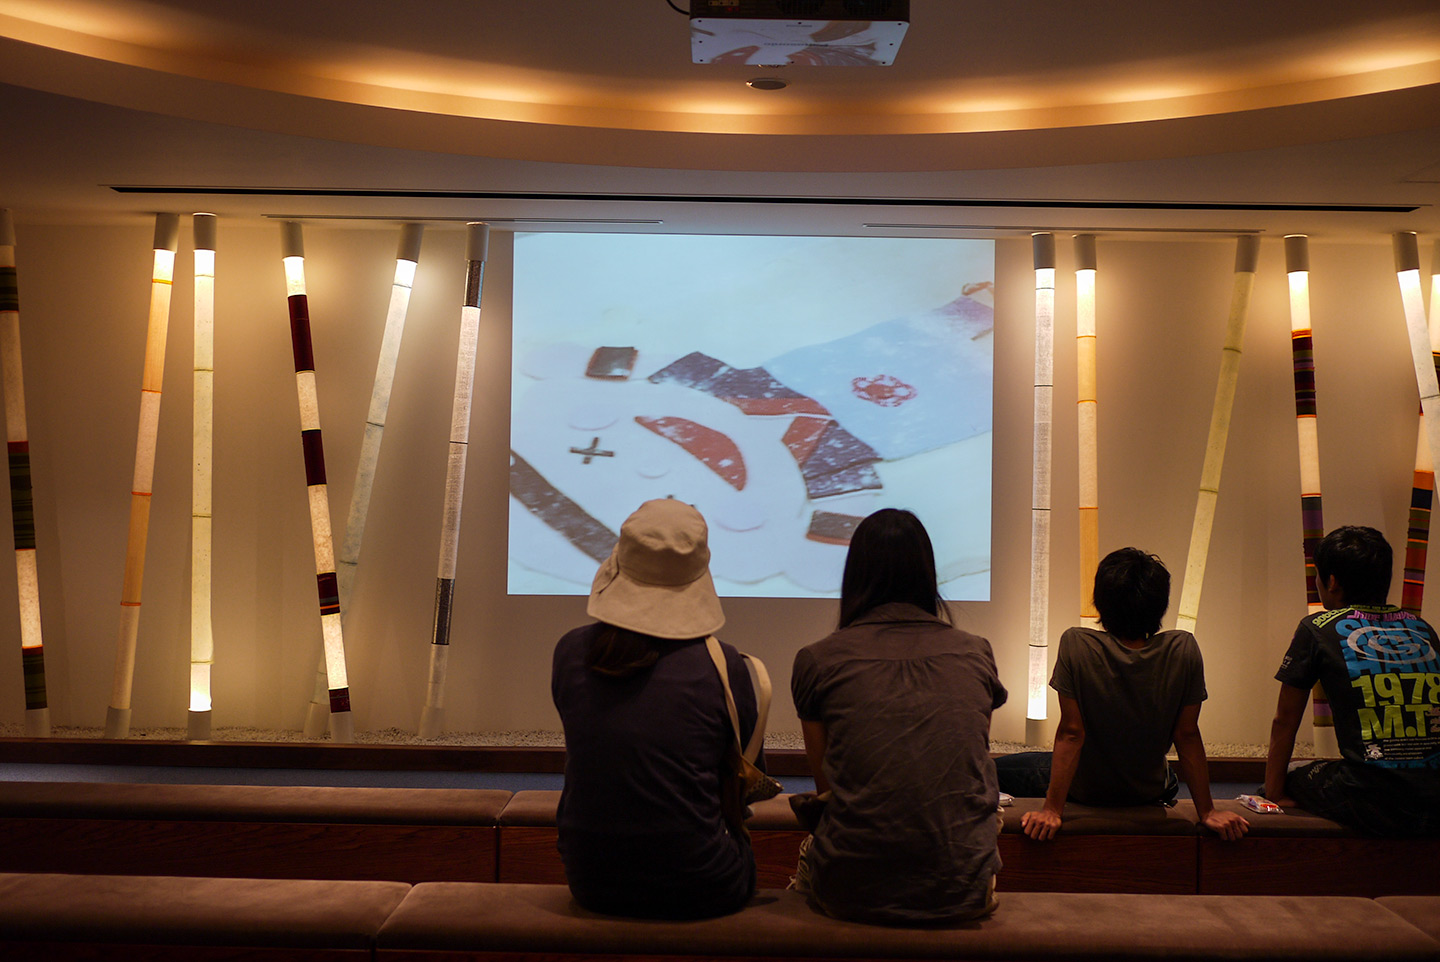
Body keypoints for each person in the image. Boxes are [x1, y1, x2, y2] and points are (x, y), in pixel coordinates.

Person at [790, 508, 1007, 924]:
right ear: (927, 573)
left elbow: (828, 789)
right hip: (962, 888)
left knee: (808, 858)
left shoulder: (817, 660)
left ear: (854, 574)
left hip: (852, 892)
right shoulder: (976, 651)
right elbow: (969, 763)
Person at [551, 498, 761, 918]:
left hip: (591, 880)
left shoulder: (571, 651)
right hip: (702, 883)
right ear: (701, 572)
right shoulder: (725, 666)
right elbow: (743, 784)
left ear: (619, 562)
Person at [997, 548, 1248, 842]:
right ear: (1160, 606)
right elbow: (1187, 735)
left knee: (991, 769)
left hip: (1086, 790)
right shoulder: (1183, 649)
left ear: (1101, 601)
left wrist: (1052, 809)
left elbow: (1071, 734)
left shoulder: (1077, 644)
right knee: (1165, 773)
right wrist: (1208, 812)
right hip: (1150, 788)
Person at [1262, 525, 1440, 835]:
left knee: (1288, 776)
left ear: (1331, 582)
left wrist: (1273, 793)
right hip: (1435, 797)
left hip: (1369, 797)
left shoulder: (1316, 627)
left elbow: (1285, 721)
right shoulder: (1422, 628)